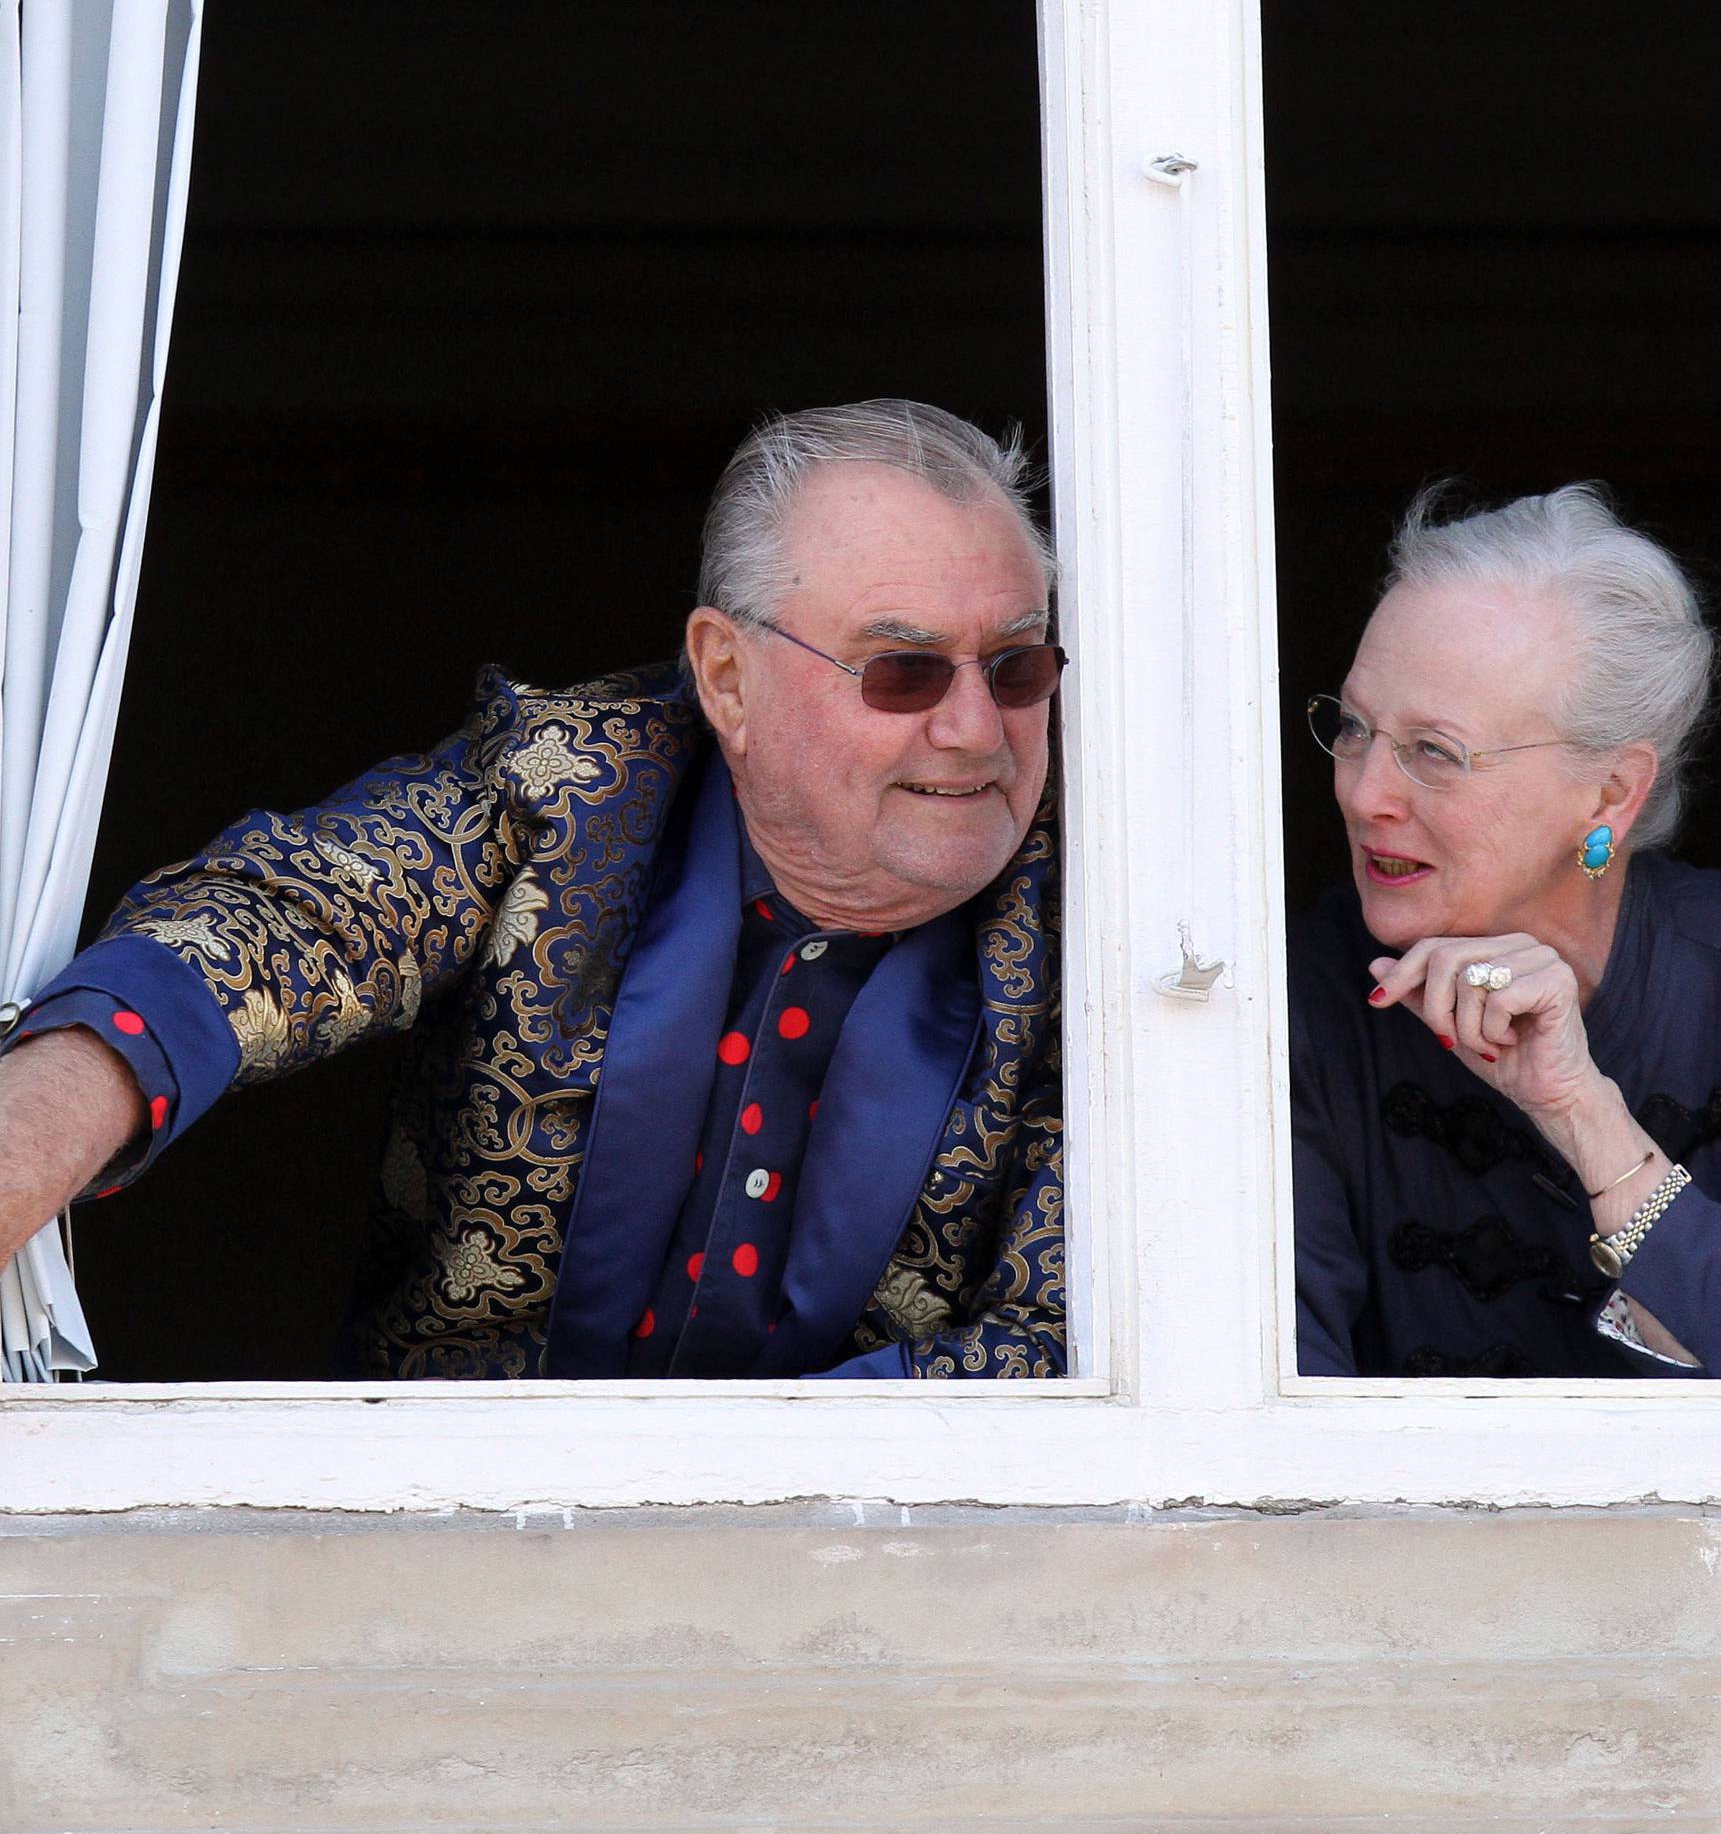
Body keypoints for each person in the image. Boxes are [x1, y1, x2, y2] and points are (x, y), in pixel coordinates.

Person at [0, 398, 1067, 1381]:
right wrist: (47, 1115)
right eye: (904, 672)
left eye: (1016, 667)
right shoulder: (565, 784)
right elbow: (289, 915)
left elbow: (1071, 1346)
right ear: (728, 677)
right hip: (440, 1542)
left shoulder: (1113, 915)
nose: (976, 729)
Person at [1290, 482, 1721, 1380]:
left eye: (1436, 752)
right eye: (1354, 729)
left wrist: (1584, 1113)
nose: (1363, 794)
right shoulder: (1294, 1000)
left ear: (1611, 794)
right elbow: (1269, 1449)